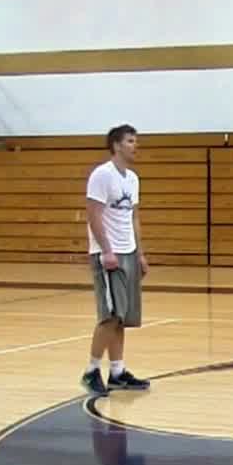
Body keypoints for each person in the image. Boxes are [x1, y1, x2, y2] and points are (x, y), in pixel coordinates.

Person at [82, 124, 150, 396]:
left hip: (129, 251)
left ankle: (117, 372)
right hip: (108, 254)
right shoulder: (102, 175)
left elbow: (133, 217)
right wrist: (107, 250)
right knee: (110, 316)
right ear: (117, 145)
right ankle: (91, 371)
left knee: (122, 318)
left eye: (136, 141)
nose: (136, 146)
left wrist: (140, 253)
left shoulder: (132, 179)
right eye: (131, 141)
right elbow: (94, 214)